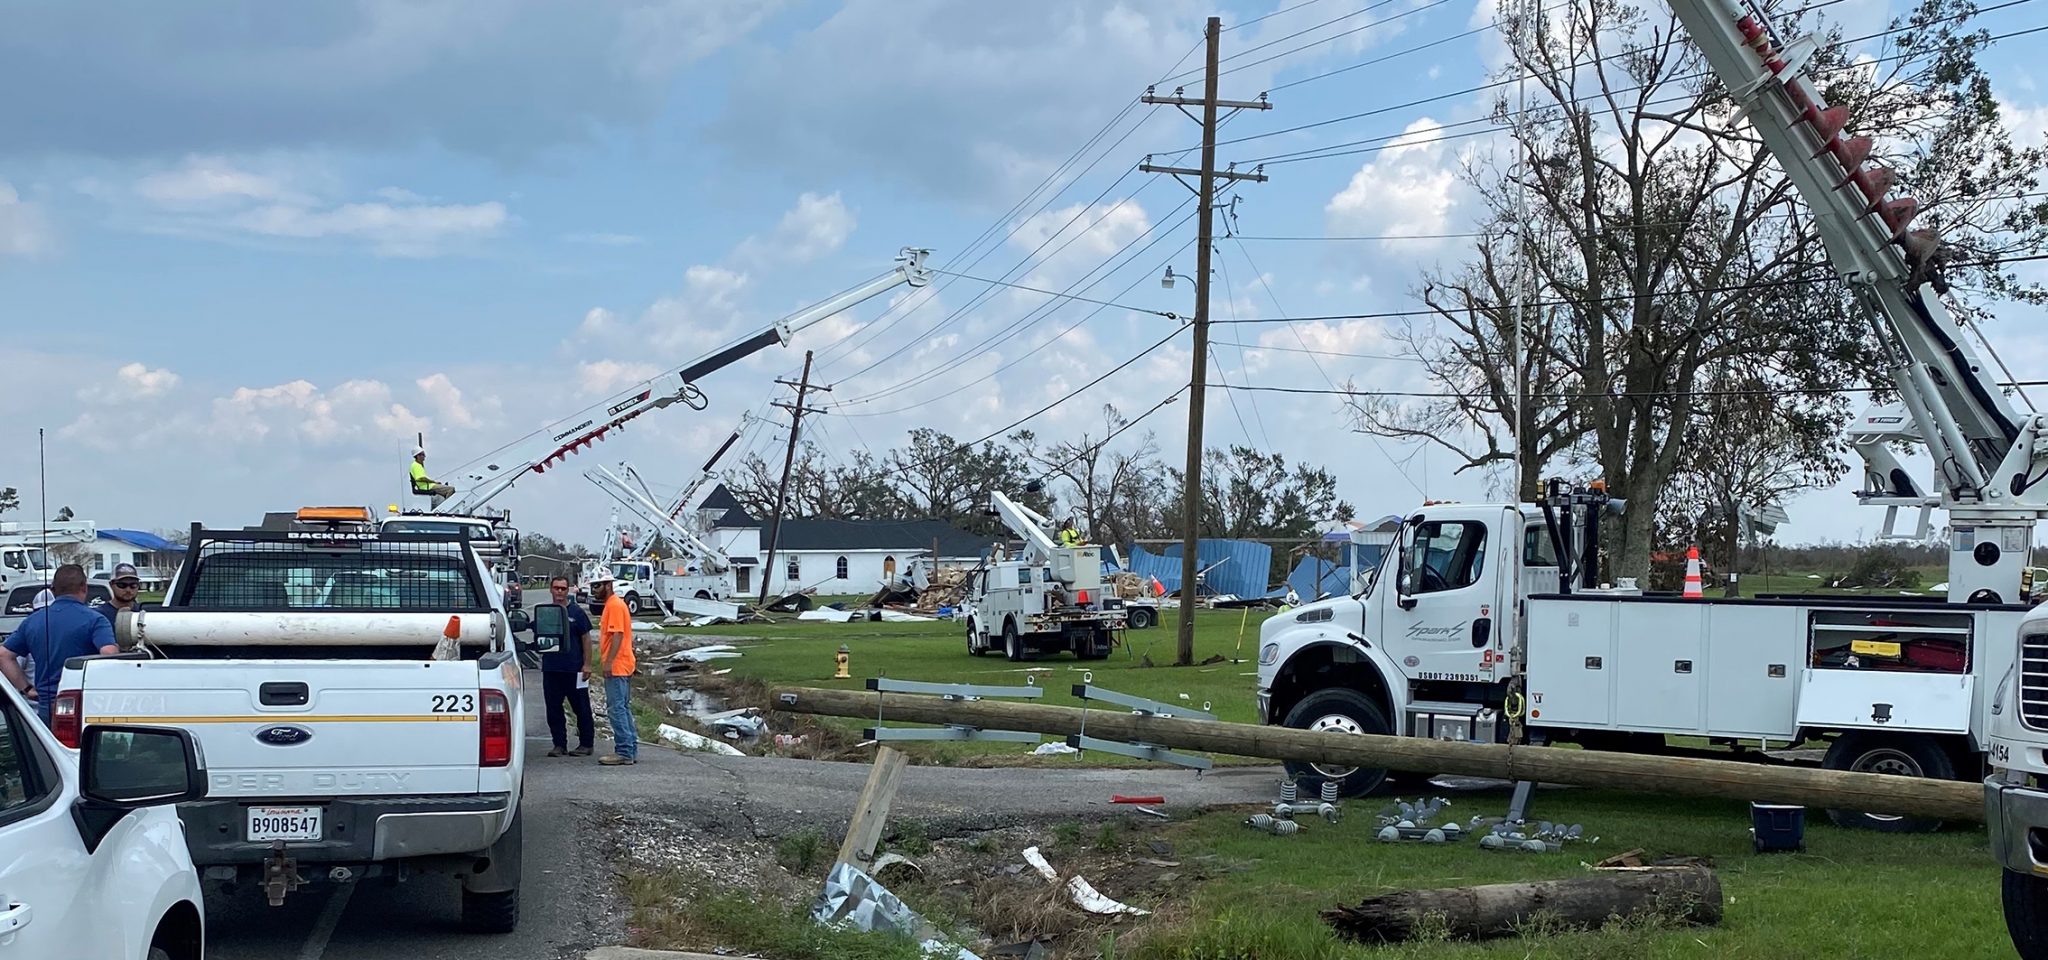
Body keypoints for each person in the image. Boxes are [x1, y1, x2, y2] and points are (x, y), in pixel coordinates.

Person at [1, 565, 118, 723]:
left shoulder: (32, 622)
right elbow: (109, 654)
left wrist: (27, 689)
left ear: (53, 590)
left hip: (47, 706)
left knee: (49, 747)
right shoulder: (95, 620)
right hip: (86, 704)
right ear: (84, 587)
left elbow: (4, 655)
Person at [540, 576, 597, 757]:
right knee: (553, 709)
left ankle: (586, 744)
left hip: (574, 670)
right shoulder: (545, 612)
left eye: (563, 589)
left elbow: (586, 639)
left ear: (568, 591)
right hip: (552, 669)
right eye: (556, 588)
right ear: (551, 589)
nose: (559, 592)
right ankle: (559, 745)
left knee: (581, 708)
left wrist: (587, 664)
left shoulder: (577, 613)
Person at [591, 572, 639, 766]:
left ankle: (625, 751)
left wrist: (609, 662)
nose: (593, 590)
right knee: (622, 707)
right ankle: (630, 749)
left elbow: (617, 635)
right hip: (622, 664)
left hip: (618, 665)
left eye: (597, 586)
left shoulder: (614, 605)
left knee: (616, 709)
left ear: (607, 585)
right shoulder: (614, 605)